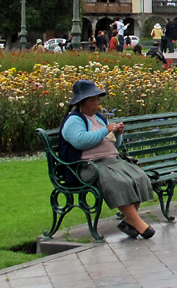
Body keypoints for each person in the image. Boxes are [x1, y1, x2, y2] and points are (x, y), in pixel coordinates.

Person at [60, 80, 155, 239]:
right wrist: (105, 130)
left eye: (97, 99)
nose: (96, 104)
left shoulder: (99, 118)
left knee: (138, 177)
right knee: (118, 182)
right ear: (81, 102)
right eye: (92, 100)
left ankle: (129, 221)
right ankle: (138, 224)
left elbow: (113, 144)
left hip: (112, 160)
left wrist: (117, 134)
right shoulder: (74, 120)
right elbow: (81, 140)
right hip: (88, 165)